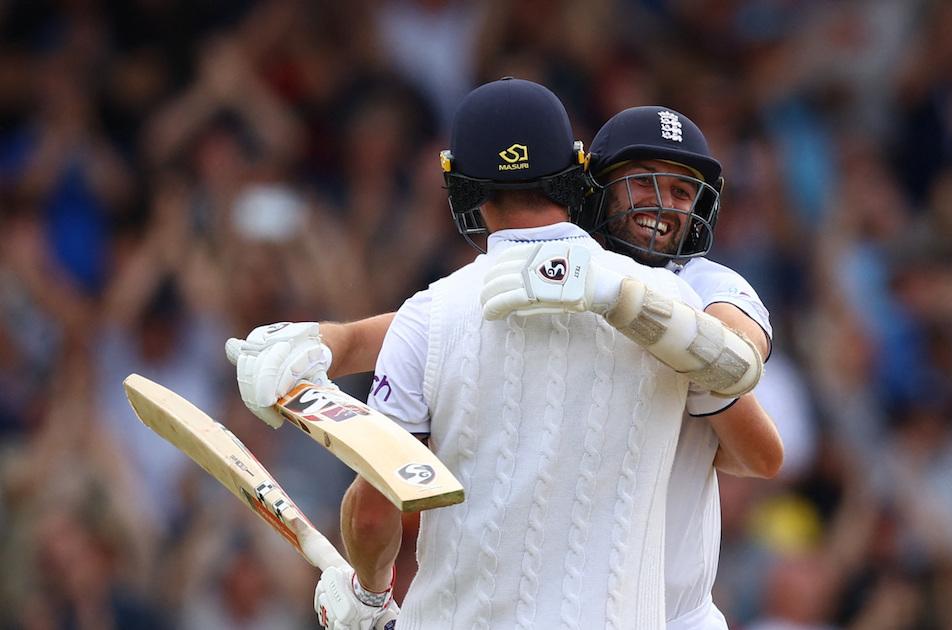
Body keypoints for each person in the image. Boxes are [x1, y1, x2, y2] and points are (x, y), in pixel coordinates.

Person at [226, 78, 765, 629]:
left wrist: (367, 594)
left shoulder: (432, 316)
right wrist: (325, 341)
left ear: (460, 187)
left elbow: (372, 515)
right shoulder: (670, 305)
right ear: (577, 174)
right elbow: (737, 370)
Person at [576, 105, 783, 629]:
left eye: (682, 192)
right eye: (643, 181)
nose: (663, 204)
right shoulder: (558, 271)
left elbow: (740, 348)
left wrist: (645, 315)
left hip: (677, 617)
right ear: (597, 187)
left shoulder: (706, 283)